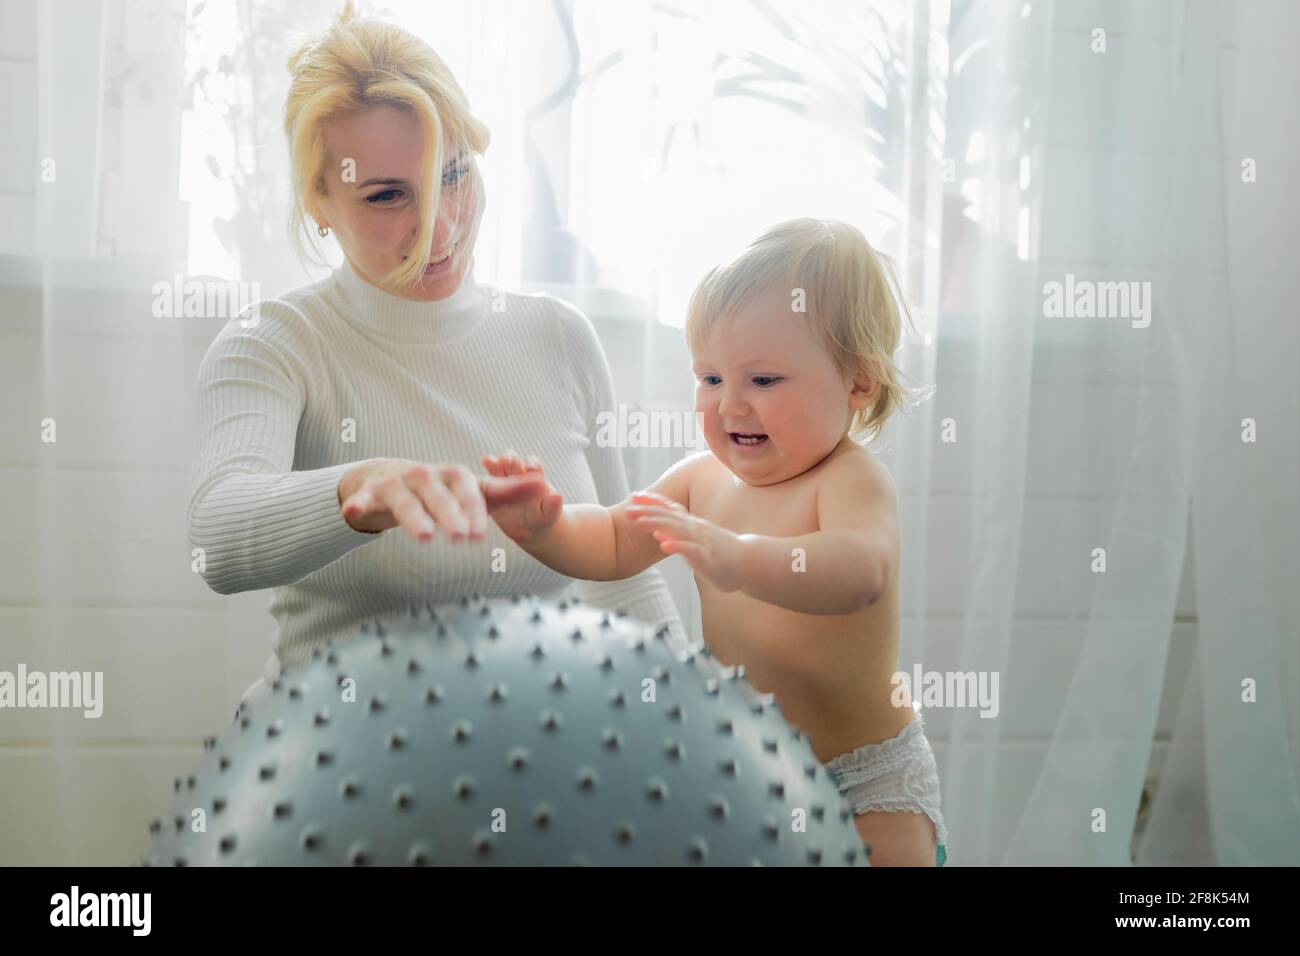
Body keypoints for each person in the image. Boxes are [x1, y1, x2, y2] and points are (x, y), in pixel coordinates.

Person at [186, 3, 688, 708]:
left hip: (530, 772)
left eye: (453, 175)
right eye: (388, 195)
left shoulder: (560, 337)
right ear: (319, 201)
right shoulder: (274, 344)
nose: (439, 227)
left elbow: (622, 571)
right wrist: (361, 489)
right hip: (333, 777)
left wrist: (695, 719)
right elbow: (219, 532)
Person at [484, 219, 948, 866]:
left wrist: (741, 557)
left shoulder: (851, 479)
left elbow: (860, 568)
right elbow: (617, 540)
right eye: (709, 379)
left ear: (858, 382)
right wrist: (547, 528)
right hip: (752, 770)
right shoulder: (702, 479)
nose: (730, 406)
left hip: (868, 779)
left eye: (763, 381)